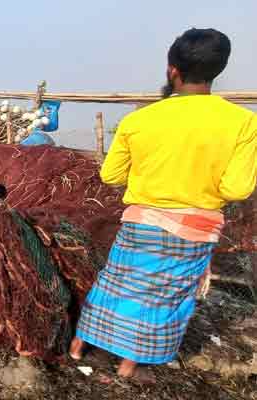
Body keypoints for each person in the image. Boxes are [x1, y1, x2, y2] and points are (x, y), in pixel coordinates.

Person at [69, 28, 256, 382]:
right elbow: (237, 187)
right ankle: (128, 365)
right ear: (218, 69)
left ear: (173, 70)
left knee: (116, 284)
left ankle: (79, 346)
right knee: (165, 296)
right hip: (194, 228)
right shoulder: (244, 123)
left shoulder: (139, 120)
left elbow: (111, 175)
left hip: (141, 223)